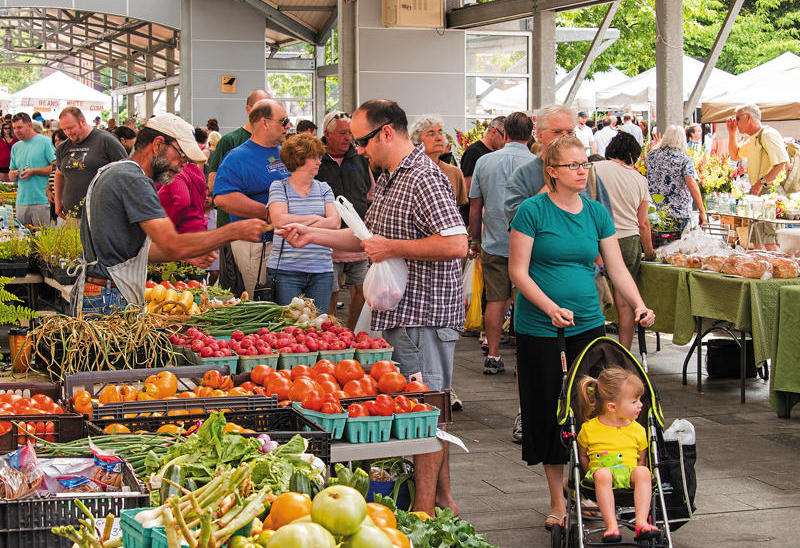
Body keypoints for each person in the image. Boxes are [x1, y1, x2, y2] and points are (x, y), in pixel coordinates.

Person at [278, 99, 467, 516]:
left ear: (386, 132)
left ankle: (425, 511)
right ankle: (439, 499)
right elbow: (367, 238)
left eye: (362, 140)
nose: (357, 149)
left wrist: (392, 247)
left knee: (427, 407)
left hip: (423, 314)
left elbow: (457, 243)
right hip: (399, 312)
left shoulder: (424, 177)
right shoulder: (387, 178)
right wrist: (313, 237)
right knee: (425, 407)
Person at [507, 134, 655, 532]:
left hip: (588, 324)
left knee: (591, 407)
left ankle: (589, 489)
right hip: (540, 327)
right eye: (572, 166)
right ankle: (558, 499)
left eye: (584, 164)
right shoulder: (531, 211)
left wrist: (639, 305)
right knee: (549, 409)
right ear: (551, 172)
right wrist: (549, 307)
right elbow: (517, 272)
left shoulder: (595, 212)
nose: (581, 171)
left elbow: (616, 267)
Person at [72, 113, 268, 315]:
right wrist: (233, 231)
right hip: (108, 298)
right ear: (158, 145)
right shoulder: (133, 180)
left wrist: (188, 254)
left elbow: (135, 252)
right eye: (181, 156)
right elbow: (170, 243)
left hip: (101, 293)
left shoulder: (117, 171)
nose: (183, 165)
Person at [468, 112, 535, 376]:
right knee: (526, 300)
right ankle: (525, 356)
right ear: (531, 135)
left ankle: (493, 354)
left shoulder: (485, 162)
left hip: (494, 242)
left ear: (504, 133)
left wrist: (475, 239)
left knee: (495, 300)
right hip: (530, 245)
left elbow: (475, 207)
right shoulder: (537, 164)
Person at [213, 98, 291, 296]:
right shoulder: (237, 157)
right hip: (257, 245)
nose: (288, 126)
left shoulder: (284, 153)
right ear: (265, 123)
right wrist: (269, 213)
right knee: (263, 299)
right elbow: (223, 198)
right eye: (283, 121)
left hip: (285, 242)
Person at [576, 368, 660, 542]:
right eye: (634, 401)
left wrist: (638, 472)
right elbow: (582, 455)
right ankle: (611, 525)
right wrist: (588, 471)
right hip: (600, 475)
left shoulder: (638, 430)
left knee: (643, 472)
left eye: (640, 400)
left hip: (628, 473)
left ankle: (641, 521)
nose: (641, 405)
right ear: (612, 407)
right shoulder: (589, 429)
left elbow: (641, 459)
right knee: (603, 475)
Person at [592, 132, 654, 349]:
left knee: (595, 295)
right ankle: (624, 352)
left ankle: (593, 347)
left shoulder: (595, 169)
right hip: (627, 239)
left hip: (596, 238)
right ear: (632, 154)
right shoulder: (639, 179)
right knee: (625, 302)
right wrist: (649, 251)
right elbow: (642, 222)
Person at [207, 88, 272, 295]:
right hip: (234, 230)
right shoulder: (232, 141)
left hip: (268, 235)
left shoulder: (275, 144)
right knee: (236, 289)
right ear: (248, 110)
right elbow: (214, 184)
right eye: (262, 108)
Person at [505, 104, 615, 224]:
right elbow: (516, 222)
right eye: (557, 132)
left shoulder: (586, 173)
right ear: (540, 135)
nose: (564, 137)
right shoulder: (523, 175)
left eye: (569, 132)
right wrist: (554, 186)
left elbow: (606, 224)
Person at [267, 134, 339, 311]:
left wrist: (298, 223)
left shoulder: (324, 187)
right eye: (314, 157)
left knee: (318, 326)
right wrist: (316, 218)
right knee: (289, 327)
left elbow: (335, 222)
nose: (319, 162)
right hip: (286, 270)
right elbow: (278, 219)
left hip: (322, 270)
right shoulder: (279, 186)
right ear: (298, 159)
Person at [317, 111, 373, 329]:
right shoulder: (316, 159)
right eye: (342, 133)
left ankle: (352, 331)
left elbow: (371, 193)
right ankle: (331, 334)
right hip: (329, 240)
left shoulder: (359, 158)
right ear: (327, 134)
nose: (347, 138)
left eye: (350, 133)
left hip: (358, 237)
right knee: (330, 290)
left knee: (361, 288)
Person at [727, 103, 790, 250]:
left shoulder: (768, 134)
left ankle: (775, 271)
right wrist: (731, 133)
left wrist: (761, 183)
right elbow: (735, 155)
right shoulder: (754, 138)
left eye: (737, 118)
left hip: (769, 194)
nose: (735, 122)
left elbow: (782, 163)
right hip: (758, 194)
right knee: (757, 240)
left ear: (748, 117)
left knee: (769, 240)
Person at [54, 106, 129, 220]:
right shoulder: (63, 147)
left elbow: (127, 173)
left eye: (71, 128)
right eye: (64, 129)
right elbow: (59, 174)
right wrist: (57, 200)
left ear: (82, 122)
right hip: (72, 215)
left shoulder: (106, 141)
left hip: (102, 216)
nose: (68, 133)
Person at [646, 125, 706, 230]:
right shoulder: (685, 159)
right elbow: (691, 183)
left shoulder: (652, 156)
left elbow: (651, 152)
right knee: (676, 245)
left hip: (654, 212)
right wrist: (702, 211)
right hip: (678, 214)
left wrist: (659, 143)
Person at [411, 115, 468, 224]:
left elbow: (459, 208)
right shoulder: (410, 171)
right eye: (431, 134)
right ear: (417, 140)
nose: (439, 138)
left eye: (440, 132)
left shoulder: (455, 172)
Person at [156, 128, 209, 234]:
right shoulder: (195, 170)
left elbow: (182, 202)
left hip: (181, 233)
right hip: (198, 229)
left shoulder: (177, 174)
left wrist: (167, 226)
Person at [8, 113, 56, 227]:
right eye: (14, 128)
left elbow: (55, 168)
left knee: (41, 239)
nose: (16, 131)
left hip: (42, 200)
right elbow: (11, 173)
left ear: (29, 125)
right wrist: (13, 174)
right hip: (21, 201)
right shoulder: (16, 147)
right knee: (22, 238)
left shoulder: (45, 142)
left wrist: (34, 171)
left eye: (19, 127)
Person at [460, 116, 505, 224]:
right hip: (474, 218)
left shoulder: (498, 153)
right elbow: (467, 188)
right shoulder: (474, 152)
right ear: (494, 131)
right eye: (504, 136)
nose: (505, 142)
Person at [47, 129, 67, 224]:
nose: (57, 143)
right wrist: (49, 190)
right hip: (55, 205)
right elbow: (52, 179)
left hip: (66, 206)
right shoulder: (57, 160)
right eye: (55, 140)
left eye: (60, 139)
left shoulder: (70, 160)